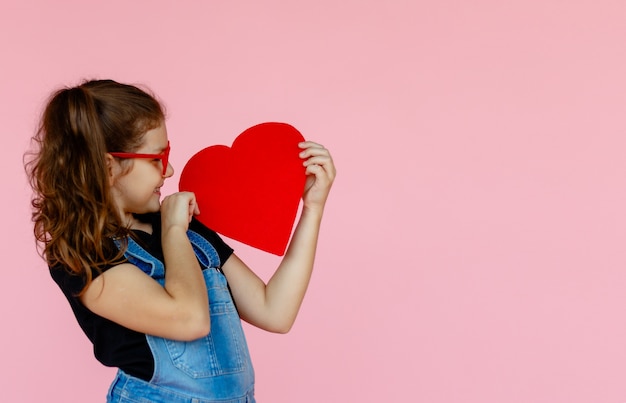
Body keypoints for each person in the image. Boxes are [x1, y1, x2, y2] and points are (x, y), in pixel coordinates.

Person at [25, 79, 336, 402]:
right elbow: (189, 319)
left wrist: (312, 209)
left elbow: (275, 312)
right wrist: (173, 232)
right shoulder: (86, 255)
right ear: (109, 166)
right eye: (157, 158)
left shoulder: (186, 229)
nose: (170, 170)